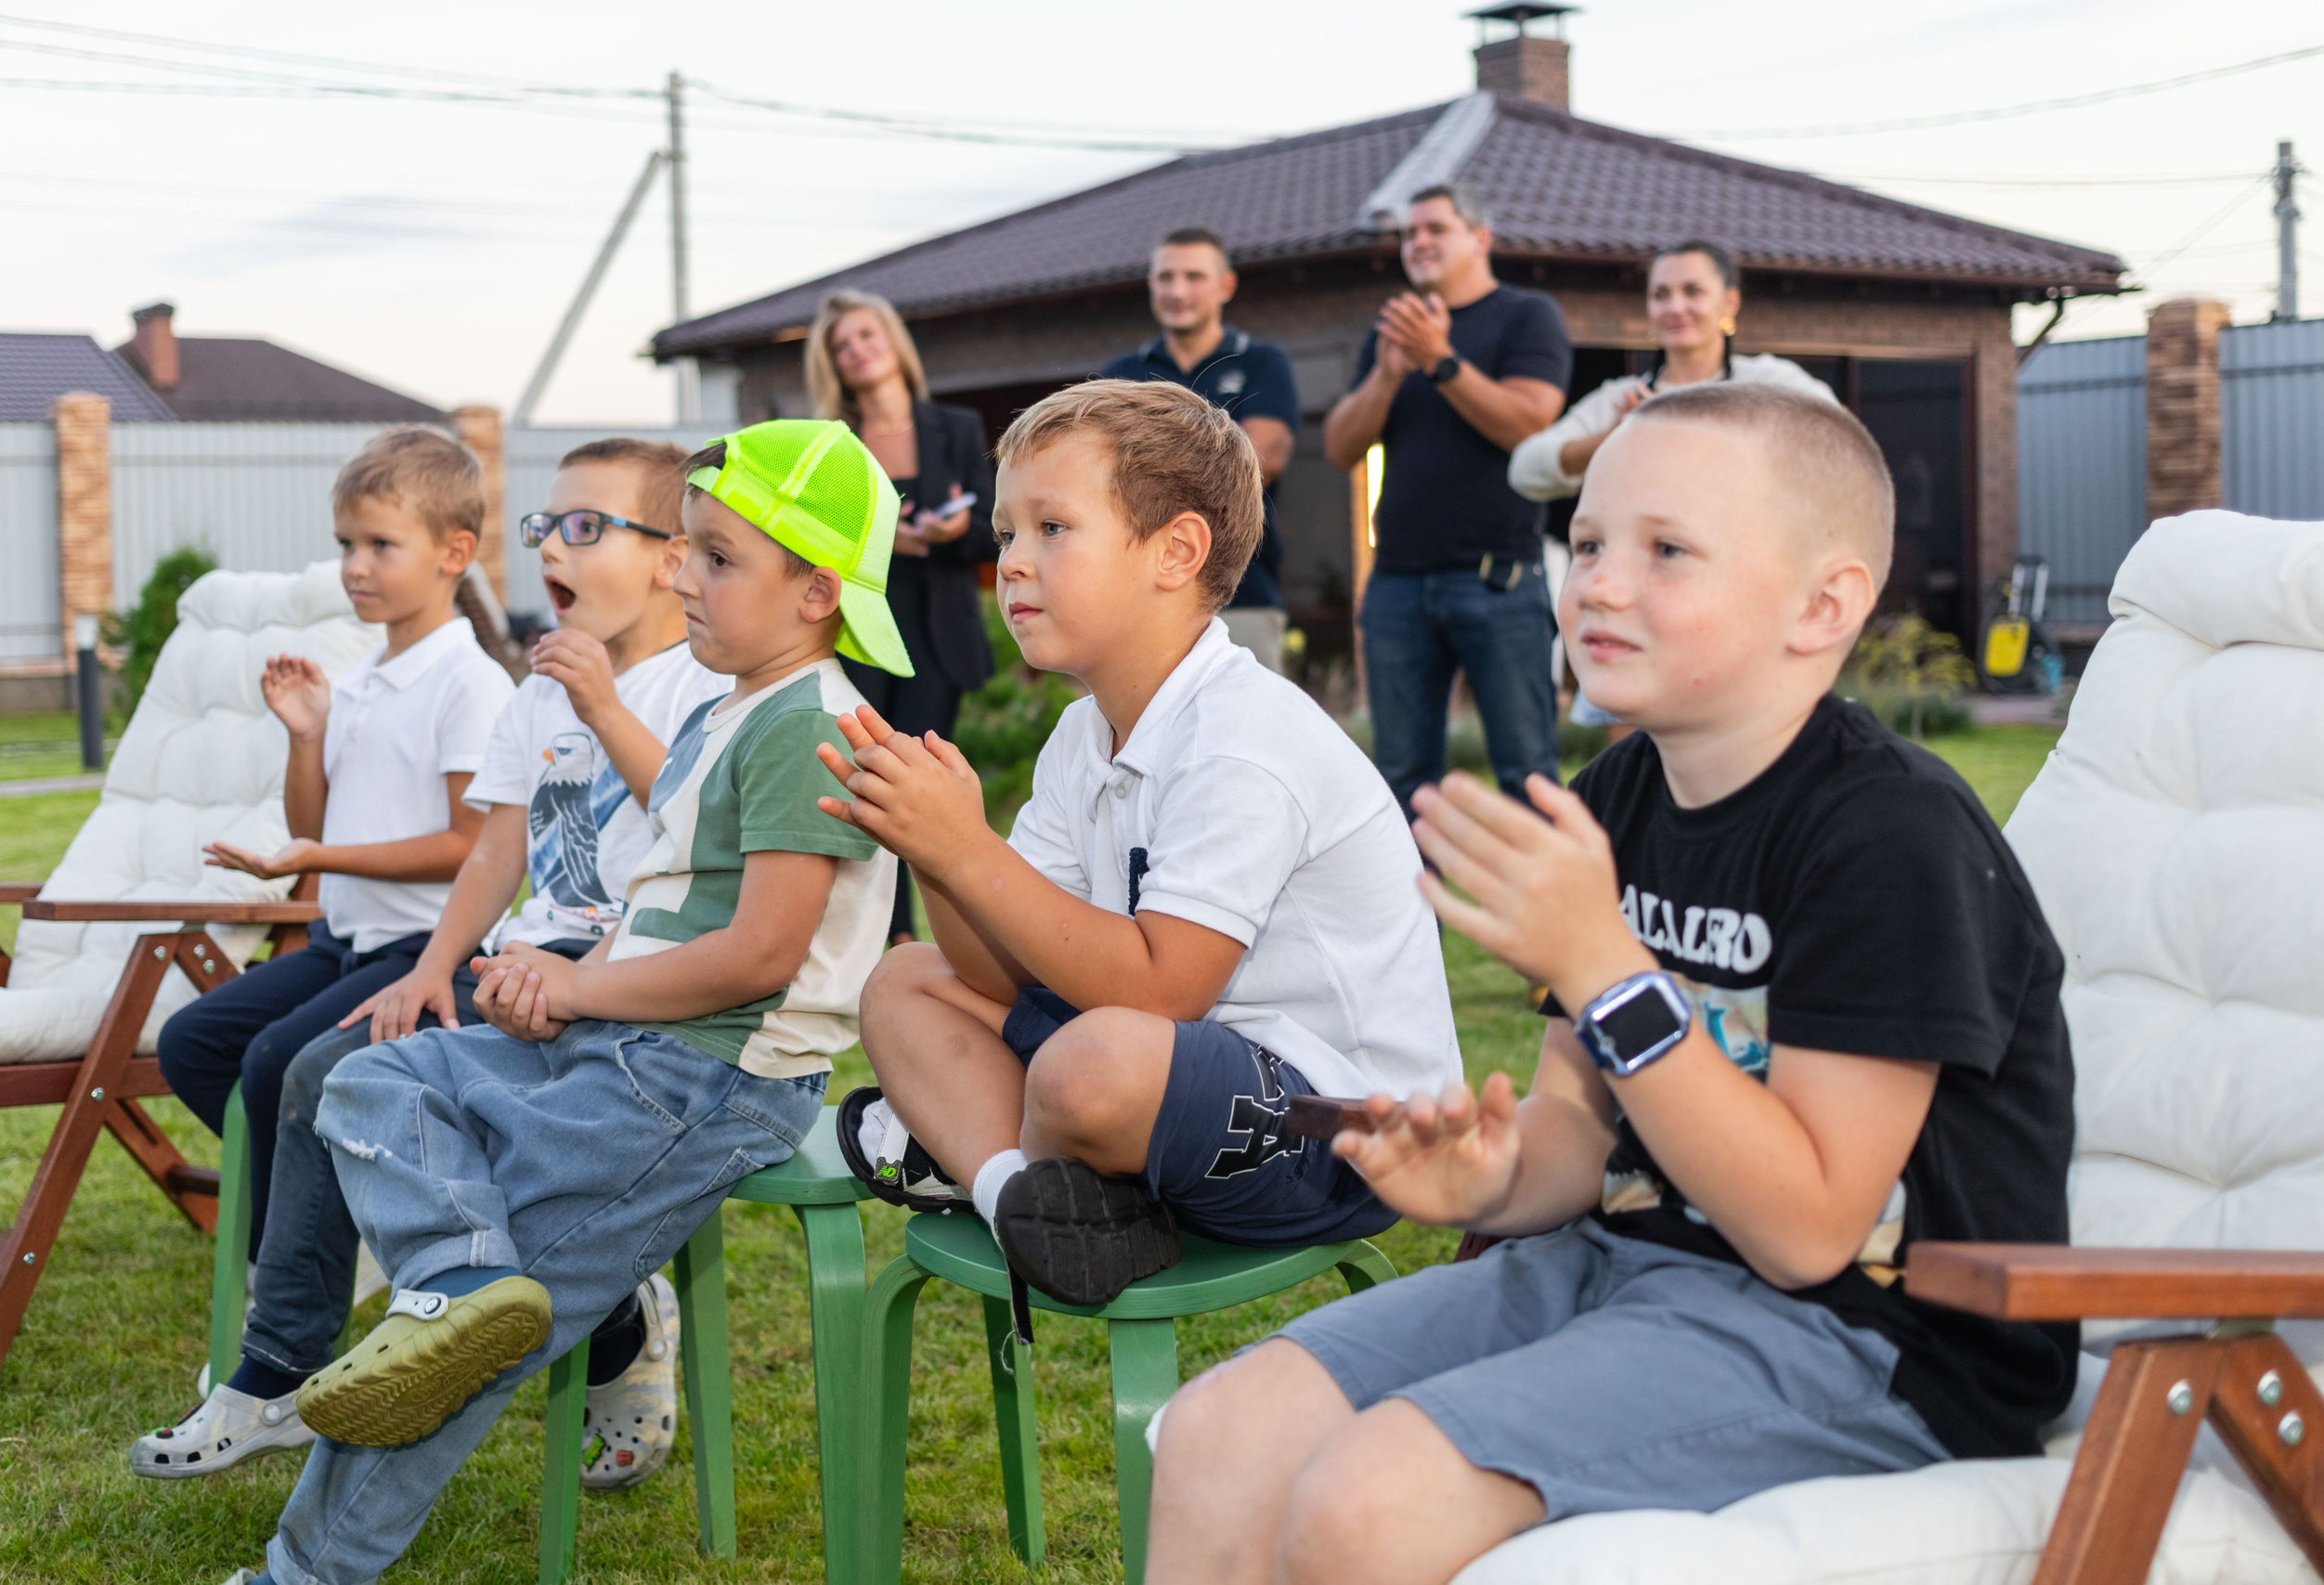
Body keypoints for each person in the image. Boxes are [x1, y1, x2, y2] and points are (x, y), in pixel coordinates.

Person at [1145, 383, 2078, 1585]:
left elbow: (1808, 1227)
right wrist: (1491, 1171)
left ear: (1823, 604)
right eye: (1587, 542)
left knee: (1365, 1504)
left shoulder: (1892, 835)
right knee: (1225, 1435)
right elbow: (1580, 1134)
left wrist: (1605, 964)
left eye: (1667, 550)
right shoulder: (1622, 797)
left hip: (1871, 1338)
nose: (1600, 583)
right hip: (1623, 1266)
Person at [208, 421, 904, 1585]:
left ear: (817, 593)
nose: (685, 573)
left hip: (706, 1083)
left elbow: (754, 958)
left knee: (439, 1354)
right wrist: (557, 988)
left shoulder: (805, 725)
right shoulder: (733, 708)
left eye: (716, 559)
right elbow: (661, 900)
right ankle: (471, 1285)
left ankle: (308, 1564)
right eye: (686, 549)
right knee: (367, 1076)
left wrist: (580, 986)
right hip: (630, 1045)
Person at [128, 439, 723, 1491]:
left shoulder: (698, 687)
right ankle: (282, 1369)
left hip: (626, 982)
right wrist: (435, 967)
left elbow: (692, 838)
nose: (553, 544)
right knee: (324, 1068)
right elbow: (497, 844)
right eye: (547, 527)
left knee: (321, 1076)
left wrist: (602, 707)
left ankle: (609, 1327)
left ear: (675, 556)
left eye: (587, 526)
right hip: (508, 964)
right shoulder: (541, 690)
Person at [823, 380, 1460, 1309]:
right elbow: (997, 974)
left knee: (1095, 1065)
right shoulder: (1082, 736)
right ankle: (1028, 1203)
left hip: (1349, 1131)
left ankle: (977, 1147)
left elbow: (1162, 990)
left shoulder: (1244, 737)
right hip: (1175, 1069)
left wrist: (967, 852)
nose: (1011, 564)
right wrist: (930, 846)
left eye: (1051, 529)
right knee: (906, 979)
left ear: (1176, 552)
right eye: (1004, 534)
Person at [152, 425, 513, 1279]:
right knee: (192, 1045)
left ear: (453, 552)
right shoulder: (353, 680)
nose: (355, 565)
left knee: (277, 1060)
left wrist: (322, 853)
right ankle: (331, 1216)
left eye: (381, 544)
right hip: (340, 944)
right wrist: (307, 738)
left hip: (428, 953)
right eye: (346, 544)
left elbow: (470, 844)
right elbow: (313, 821)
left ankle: (277, 1294)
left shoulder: (468, 683)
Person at [1512, 240, 1840, 737]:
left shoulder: (1765, 383)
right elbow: (1526, 468)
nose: (1675, 307)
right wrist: (1613, 438)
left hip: (1734, 603)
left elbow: (1838, 443)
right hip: (1638, 603)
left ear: (1729, 304)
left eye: (1693, 291)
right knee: (1635, 767)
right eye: (1661, 294)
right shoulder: (1622, 399)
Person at [1324, 183, 1571, 813]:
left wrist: (1440, 360)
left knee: (1529, 775)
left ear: (1480, 238)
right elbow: (1340, 447)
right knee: (1401, 784)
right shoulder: (1395, 331)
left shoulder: (1526, 315)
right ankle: (1412, 917)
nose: (1420, 243)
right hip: (1398, 585)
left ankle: (1543, 915)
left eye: (1436, 228)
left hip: (1500, 579)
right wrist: (1387, 374)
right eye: (1410, 234)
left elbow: (1528, 426)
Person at [808, 288, 995, 947]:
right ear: (834, 364)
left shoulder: (956, 426)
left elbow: (994, 528)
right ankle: (885, 933)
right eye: (844, 345)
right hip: (861, 627)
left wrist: (953, 532)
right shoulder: (834, 444)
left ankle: (936, 931)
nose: (859, 350)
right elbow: (818, 539)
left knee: (918, 781)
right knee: (862, 774)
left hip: (936, 629)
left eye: (867, 335)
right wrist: (888, 542)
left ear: (892, 340)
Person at [1102, 227, 1302, 672]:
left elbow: (1257, 463)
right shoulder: (1121, 373)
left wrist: (1146, 465)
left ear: (1225, 285)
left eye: (1194, 277)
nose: (1178, 291)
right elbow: (1101, 474)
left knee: (1247, 739)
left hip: (1240, 594)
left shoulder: (1263, 363)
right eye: (1166, 277)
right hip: (1140, 596)